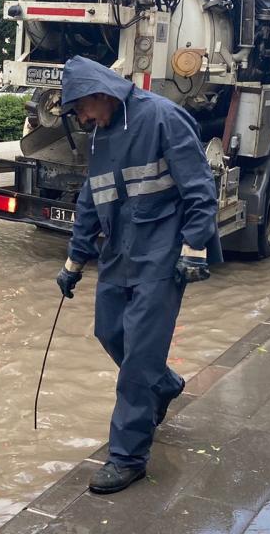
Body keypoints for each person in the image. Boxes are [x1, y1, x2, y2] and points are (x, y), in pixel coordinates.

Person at [53, 55, 221, 495]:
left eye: (81, 108)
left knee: (137, 363)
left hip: (161, 257)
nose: (81, 118)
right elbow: (92, 199)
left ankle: (127, 457)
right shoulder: (100, 136)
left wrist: (194, 246)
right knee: (109, 333)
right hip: (118, 256)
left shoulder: (163, 118)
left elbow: (200, 186)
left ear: (100, 94)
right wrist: (74, 261)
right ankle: (164, 385)